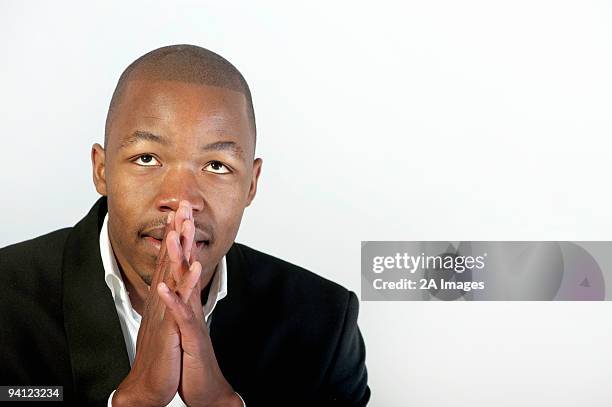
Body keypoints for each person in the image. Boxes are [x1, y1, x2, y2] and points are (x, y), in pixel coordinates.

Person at [0, 44, 370, 406]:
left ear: (251, 185)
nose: (181, 200)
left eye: (217, 166)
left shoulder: (324, 322)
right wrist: (133, 401)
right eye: (147, 158)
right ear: (101, 170)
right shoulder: (7, 299)